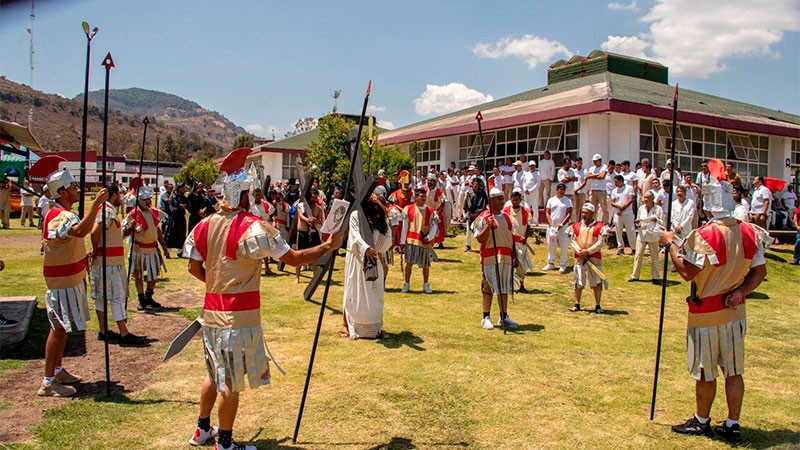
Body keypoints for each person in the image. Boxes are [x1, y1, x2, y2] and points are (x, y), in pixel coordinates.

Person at [182, 149, 344, 450]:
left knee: (214, 374)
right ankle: (226, 444)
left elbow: (194, 267)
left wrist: (217, 286)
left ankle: (202, 430)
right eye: (252, 192)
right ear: (244, 194)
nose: (256, 195)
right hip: (236, 318)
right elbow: (294, 259)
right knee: (229, 382)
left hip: (211, 314)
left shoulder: (203, 225)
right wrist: (327, 247)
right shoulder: (253, 226)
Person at [661, 168, 769, 445]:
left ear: (708, 205)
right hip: (735, 311)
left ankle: (702, 420)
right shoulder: (748, 232)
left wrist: (671, 244)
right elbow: (759, 271)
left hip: (706, 312)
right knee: (733, 370)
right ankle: (732, 423)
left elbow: (687, 271)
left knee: (705, 371)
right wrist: (742, 290)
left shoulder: (705, 235)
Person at [37, 160, 108, 397]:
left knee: (62, 329)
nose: (79, 189)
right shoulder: (58, 216)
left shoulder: (65, 213)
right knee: (57, 328)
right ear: (62, 192)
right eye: (74, 186)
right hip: (60, 284)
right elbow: (79, 231)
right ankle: (48, 382)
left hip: (70, 281)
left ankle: (57, 370)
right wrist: (96, 205)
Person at [89, 185, 146, 346]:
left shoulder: (107, 211)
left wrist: (128, 230)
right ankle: (123, 332)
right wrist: (94, 249)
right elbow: (95, 232)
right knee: (117, 295)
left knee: (102, 296)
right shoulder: (107, 211)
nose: (121, 198)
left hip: (107, 261)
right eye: (119, 195)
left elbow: (112, 236)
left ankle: (103, 330)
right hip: (109, 263)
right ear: (114, 195)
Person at [340, 193, 393, 339]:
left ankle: (375, 328)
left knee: (375, 294)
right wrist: (365, 248)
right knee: (353, 291)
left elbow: (388, 238)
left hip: (374, 259)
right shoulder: (356, 215)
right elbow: (355, 235)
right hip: (357, 258)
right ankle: (347, 325)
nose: (377, 213)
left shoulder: (382, 220)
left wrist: (376, 246)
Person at [474, 187, 518, 329]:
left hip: (505, 258)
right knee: (488, 288)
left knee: (504, 287)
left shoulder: (506, 217)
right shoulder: (484, 217)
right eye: (499, 199)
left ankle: (503, 316)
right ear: (491, 200)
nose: (502, 202)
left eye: (502, 199)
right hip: (490, 258)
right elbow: (479, 239)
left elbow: (510, 237)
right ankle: (486, 316)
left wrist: (515, 256)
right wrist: (488, 226)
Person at [123, 186, 168, 310]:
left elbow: (157, 229)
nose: (148, 202)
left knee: (154, 274)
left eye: (149, 199)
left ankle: (149, 295)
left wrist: (163, 244)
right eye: (145, 200)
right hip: (139, 250)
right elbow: (125, 232)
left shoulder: (154, 212)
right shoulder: (132, 215)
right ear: (138, 201)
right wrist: (130, 227)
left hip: (152, 249)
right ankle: (141, 298)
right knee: (138, 274)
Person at [568, 203, 608, 313]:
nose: (584, 214)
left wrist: (588, 251)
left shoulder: (600, 227)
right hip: (579, 257)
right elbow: (572, 241)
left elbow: (600, 242)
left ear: (592, 213)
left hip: (594, 258)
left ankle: (598, 305)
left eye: (586, 212)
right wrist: (580, 251)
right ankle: (577, 303)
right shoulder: (575, 226)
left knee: (597, 281)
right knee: (578, 280)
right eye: (583, 212)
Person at [400, 187, 439, 293]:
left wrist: (429, 237)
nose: (423, 198)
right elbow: (405, 226)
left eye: (424, 196)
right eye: (421, 196)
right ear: (415, 197)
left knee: (426, 264)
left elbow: (434, 225)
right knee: (409, 263)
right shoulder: (408, 209)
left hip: (424, 241)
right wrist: (402, 241)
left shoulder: (430, 210)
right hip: (411, 240)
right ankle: (406, 284)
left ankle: (426, 284)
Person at [503, 189, 534, 292]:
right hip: (508, 241)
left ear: (520, 199)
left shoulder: (525, 211)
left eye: (517, 200)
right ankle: (509, 285)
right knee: (508, 264)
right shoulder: (506, 211)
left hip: (520, 241)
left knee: (521, 265)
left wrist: (526, 236)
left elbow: (529, 225)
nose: (515, 202)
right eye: (513, 200)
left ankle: (521, 285)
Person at [629, 191, 663, 282]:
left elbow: (662, 222)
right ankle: (635, 276)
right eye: (645, 197)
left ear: (652, 198)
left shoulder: (658, 209)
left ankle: (655, 276)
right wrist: (638, 222)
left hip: (653, 234)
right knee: (638, 255)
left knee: (654, 256)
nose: (645, 200)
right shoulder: (641, 208)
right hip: (642, 233)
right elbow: (639, 220)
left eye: (647, 198)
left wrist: (656, 220)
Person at [294, 188, 325, 284]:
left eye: (316, 197)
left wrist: (315, 220)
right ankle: (297, 278)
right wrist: (307, 220)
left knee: (314, 256)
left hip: (312, 233)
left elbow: (321, 221)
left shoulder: (319, 209)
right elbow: (300, 215)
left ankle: (315, 277)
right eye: (313, 197)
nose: (314, 199)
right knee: (299, 255)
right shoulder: (301, 205)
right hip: (302, 232)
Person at [542, 183, 572, 273]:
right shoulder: (551, 200)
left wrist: (562, 224)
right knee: (551, 245)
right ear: (557, 189)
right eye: (560, 189)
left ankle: (563, 264)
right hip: (552, 227)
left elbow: (569, 213)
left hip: (563, 227)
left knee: (564, 245)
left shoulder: (567, 200)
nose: (562, 191)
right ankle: (550, 263)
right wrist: (551, 223)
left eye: (563, 190)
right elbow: (547, 212)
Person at [250, 186, 276, 275]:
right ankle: (254, 269)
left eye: (259, 195)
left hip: (264, 229)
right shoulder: (251, 206)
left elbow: (272, 214)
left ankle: (267, 268)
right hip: (254, 229)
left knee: (264, 248)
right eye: (256, 195)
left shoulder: (265, 204)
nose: (257, 196)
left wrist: (274, 222)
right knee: (255, 250)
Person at [610, 175, 636, 255]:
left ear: (621, 180)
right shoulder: (614, 191)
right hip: (617, 213)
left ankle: (634, 248)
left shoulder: (629, 188)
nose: (615, 183)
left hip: (628, 213)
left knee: (630, 230)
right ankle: (620, 247)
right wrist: (619, 207)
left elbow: (631, 199)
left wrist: (623, 208)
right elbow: (612, 202)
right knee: (618, 230)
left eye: (616, 181)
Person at [164, 182, 188, 258]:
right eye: (182, 188)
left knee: (181, 235)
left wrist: (184, 206)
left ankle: (179, 252)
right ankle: (167, 252)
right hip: (174, 219)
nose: (183, 190)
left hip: (181, 218)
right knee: (171, 235)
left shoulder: (183, 197)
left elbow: (187, 205)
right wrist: (179, 206)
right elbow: (172, 208)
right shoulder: (173, 197)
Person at [465, 178, 488, 252]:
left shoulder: (483, 196)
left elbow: (483, 206)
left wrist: (476, 214)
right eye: (474, 184)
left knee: (480, 231)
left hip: (479, 216)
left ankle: (482, 246)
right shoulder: (470, 194)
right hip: (470, 215)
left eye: (476, 184)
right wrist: (470, 213)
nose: (475, 185)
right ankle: (468, 246)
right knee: (468, 231)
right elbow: (466, 205)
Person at [424, 173, 446, 249]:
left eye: (431, 181)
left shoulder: (440, 192)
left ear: (435, 182)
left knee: (439, 227)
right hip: (427, 212)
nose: (429, 182)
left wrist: (437, 211)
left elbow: (443, 203)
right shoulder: (424, 190)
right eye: (428, 180)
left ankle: (440, 242)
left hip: (436, 212)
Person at [585, 154, 608, 224]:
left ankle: (605, 222)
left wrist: (593, 176)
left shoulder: (604, 167)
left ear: (600, 160)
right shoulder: (592, 168)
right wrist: (598, 174)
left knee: (604, 207)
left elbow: (602, 176)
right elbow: (588, 176)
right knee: (592, 207)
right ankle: (593, 221)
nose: (594, 162)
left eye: (596, 161)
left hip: (601, 190)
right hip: (593, 189)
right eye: (594, 161)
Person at [557, 156, 578, 221]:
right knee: (564, 209)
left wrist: (570, 178)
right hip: (564, 194)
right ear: (564, 164)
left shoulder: (572, 170)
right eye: (567, 163)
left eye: (569, 163)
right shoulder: (560, 171)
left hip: (571, 192)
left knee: (573, 209)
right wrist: (571, 179)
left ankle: (573, 222)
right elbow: (563, 181)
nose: (568, 165)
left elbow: (576, 179)